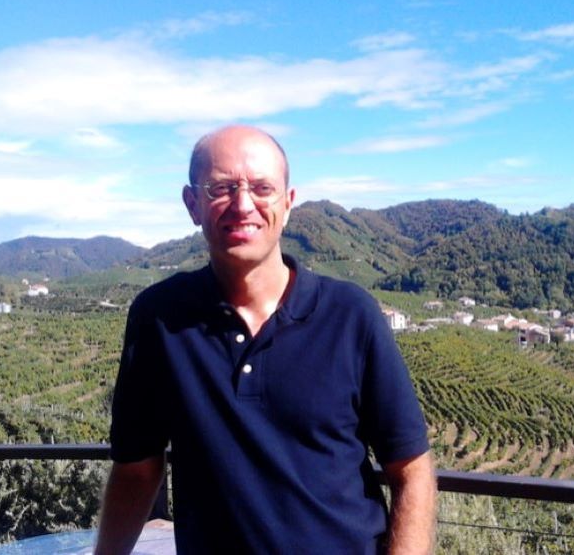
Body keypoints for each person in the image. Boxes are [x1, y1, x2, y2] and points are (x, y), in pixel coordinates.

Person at [95, 125, 436, 554]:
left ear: (288, 203)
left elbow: (412, 470)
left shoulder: (351, 316)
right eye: (221, 187)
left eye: (261, 187)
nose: (243, 204)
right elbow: (137, 471)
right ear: (192, 204)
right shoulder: (158, 319)